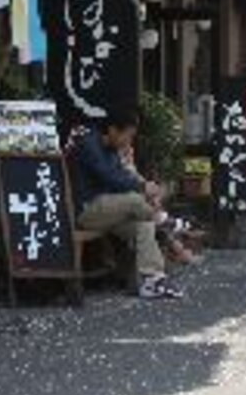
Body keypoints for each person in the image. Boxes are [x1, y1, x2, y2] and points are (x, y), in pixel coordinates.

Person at [69, 109, 184, 300]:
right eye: (127, 135)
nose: (128, 141)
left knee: (143, 225)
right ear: (113, 130)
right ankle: (162, 220)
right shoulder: (88, 143)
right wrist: (142, 187)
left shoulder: (113, 149)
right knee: (134, 200)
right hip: (88, 210)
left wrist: (145, 188)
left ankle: (152, 280)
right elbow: (110, 177)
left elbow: (123, 176)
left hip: (111, 210)